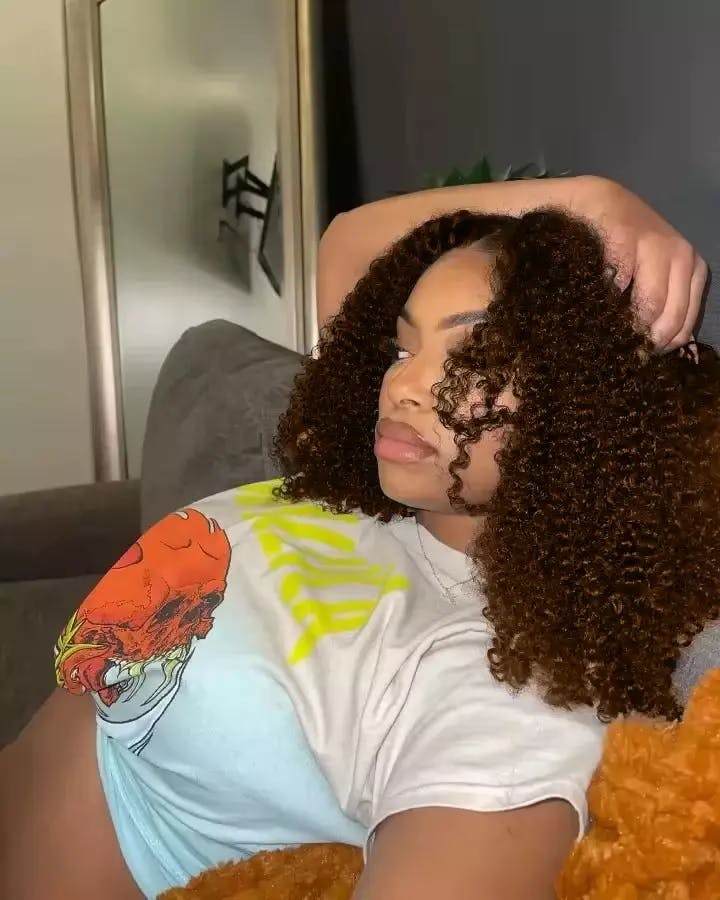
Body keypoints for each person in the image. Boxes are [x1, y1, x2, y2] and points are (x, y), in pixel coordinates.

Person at [0, 177, 712, 900]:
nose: (402, 386)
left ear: (587, 415)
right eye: (403, 349)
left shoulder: (506, 703)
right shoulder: (384, 491)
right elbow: (349, 243)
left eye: (472, 361)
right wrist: (593, 204)